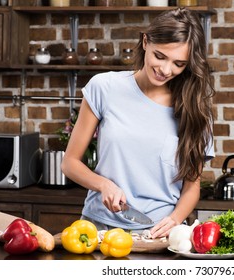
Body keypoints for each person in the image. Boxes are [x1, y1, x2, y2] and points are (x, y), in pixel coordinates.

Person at [61, 7, 215, 239]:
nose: (165, 70)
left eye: (178, 64)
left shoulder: (196, 111)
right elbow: (69, 163)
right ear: (145, 42)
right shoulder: (104, 87)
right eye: (160, 56)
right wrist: (103, 184)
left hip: (157, 234)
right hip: (97, 228)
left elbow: (192, 187)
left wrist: (174, 220)